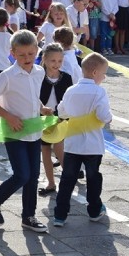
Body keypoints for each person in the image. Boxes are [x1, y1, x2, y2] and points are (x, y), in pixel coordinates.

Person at [0, 30, 50, 232]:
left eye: (31, 54)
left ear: (37, 51)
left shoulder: (39, 71)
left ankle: (28, 216)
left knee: (33, 176)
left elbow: (31, 96)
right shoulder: (7, 76)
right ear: (12, 52)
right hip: (14, 132)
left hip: (34, 130)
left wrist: (41, 108)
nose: (27, 59)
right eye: (21, 55)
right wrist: (8, 116)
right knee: (22, 175)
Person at [52, 53, 112, 227]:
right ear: (94, 73)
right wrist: (109, 118)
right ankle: (94, 210)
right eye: (103, 73)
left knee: (67, 178)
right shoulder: (99, 91)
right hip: (93, 145)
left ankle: (60, 215)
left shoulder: (71, 90)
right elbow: (103, 115)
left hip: (72, 144)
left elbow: (61, 111)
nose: (104, 76)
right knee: (93, 178)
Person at [38, 44, 72, 195]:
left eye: (59, 61)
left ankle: (69, 177)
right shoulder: (38, 76)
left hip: (60, 119)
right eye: (53, 61)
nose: (56, 64)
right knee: (45, 150)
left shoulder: (66, 78)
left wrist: (63, 116)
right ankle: (51, 182)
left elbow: (70, 99)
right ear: (44, 59)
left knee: (59, 148)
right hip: (42, 119)